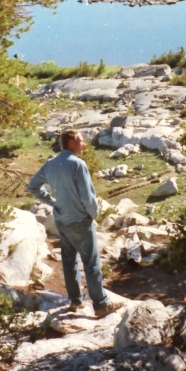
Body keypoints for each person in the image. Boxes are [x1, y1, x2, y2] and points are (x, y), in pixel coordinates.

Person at [28, 129, 124, 318]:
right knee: (91, 263)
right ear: (70, 143)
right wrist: (93, 215)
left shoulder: (50, 164)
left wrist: (52, 203)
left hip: (61, 219)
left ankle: (74, 300)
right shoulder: (78, 164)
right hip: (80, 220)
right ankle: (101, 304)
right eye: (81, 141)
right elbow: (87, 196)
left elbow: (33, 186)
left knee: (69, 260)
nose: (84, 144)